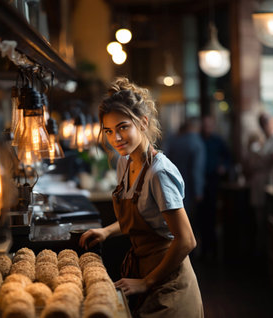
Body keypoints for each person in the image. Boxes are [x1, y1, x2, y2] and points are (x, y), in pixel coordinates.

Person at [79, 77, 203, 318]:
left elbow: (186, 240)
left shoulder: (159, 173)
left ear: (143, 123)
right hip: (144, 272)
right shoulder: (125, 163)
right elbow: (144, 218)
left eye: (123, 127)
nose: (116, 138)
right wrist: (107, 231)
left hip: (170, 282)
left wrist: (147, 282)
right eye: (109, 131)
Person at [245, 112, 273, 256]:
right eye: (262, 122)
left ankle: (271, 252)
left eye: (266, 122)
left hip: (272, 184)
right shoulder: (256, 141)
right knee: (260, 221)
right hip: (259, 186)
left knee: (271, 219)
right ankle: (262, 252)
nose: (265, 125)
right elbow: (250, 164)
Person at [164, 117, 206, 246]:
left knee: (176, 226)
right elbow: (196, 170)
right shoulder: (196, 142)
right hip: (190, 189)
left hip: (172, 187)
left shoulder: (174, 141)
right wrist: (198, 191)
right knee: (190, 226)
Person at [199, 114, 231, 260]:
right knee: (201, 216)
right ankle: (204, 248)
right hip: (199, 181)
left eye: (209, 125)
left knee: (212, 215)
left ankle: (212, 249)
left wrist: (224, 167)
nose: (207, 128)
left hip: (213, 181)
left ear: (212, 126)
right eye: (204, 125)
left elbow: (229, 157)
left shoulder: (218, 140)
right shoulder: (197, 139)